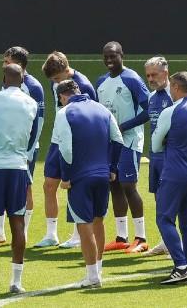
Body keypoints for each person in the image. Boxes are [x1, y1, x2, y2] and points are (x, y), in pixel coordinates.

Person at [51, 79, 124, 289]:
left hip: (79, 177)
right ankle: (97, 271)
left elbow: (65, 149)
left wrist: (65, 177)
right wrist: (112, 168)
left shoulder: (64, 113)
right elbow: (118, 140)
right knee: (98, 221)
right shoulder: (102, 109)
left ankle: (92, 276)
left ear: (63, 96)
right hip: (102, 175)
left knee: (84, 225)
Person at [0, 63, 38, 295]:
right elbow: (33, 136)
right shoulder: (31, 103)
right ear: (22, 80)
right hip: (19, 168)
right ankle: (15, 282)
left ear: (4, 77)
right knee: (18, 223)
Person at [34, 52, 97, 250]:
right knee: (49, 185)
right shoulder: (57, 84)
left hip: (78, 141)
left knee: (74, 185)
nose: (54, 82)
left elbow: (93, 112)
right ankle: (51, 234)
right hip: (58, 138)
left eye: (56, 78)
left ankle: (78, 235)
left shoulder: (84, 85)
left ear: (65, 70)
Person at [95, 42, 151, 254]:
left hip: (129, 141)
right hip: (111, 142)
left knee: (129, 185)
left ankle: (141, 237)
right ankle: (121, 237)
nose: (109, 60)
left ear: (122, 55)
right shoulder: (100, 82)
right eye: (106, 56)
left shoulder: (132, 79)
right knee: (114, 184)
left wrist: (123, 126)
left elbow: (148, 110)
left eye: (113, 56)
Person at [152, 71, 187, 284]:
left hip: (175, 174)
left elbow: (156, 144)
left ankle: (181, 266)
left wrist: (167, 140)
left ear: (175, 87)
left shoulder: (170, 111)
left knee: (164, 218)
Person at [142, 57, 176, 257]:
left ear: (165, 73)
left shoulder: (174, 95)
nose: (151, 79)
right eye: (148, 75)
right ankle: (165, 241)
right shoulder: (152, 96)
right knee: (158, 198)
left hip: (169, 156)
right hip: (154, 156)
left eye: (154, 75)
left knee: (169, 199)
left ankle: (173, 243)